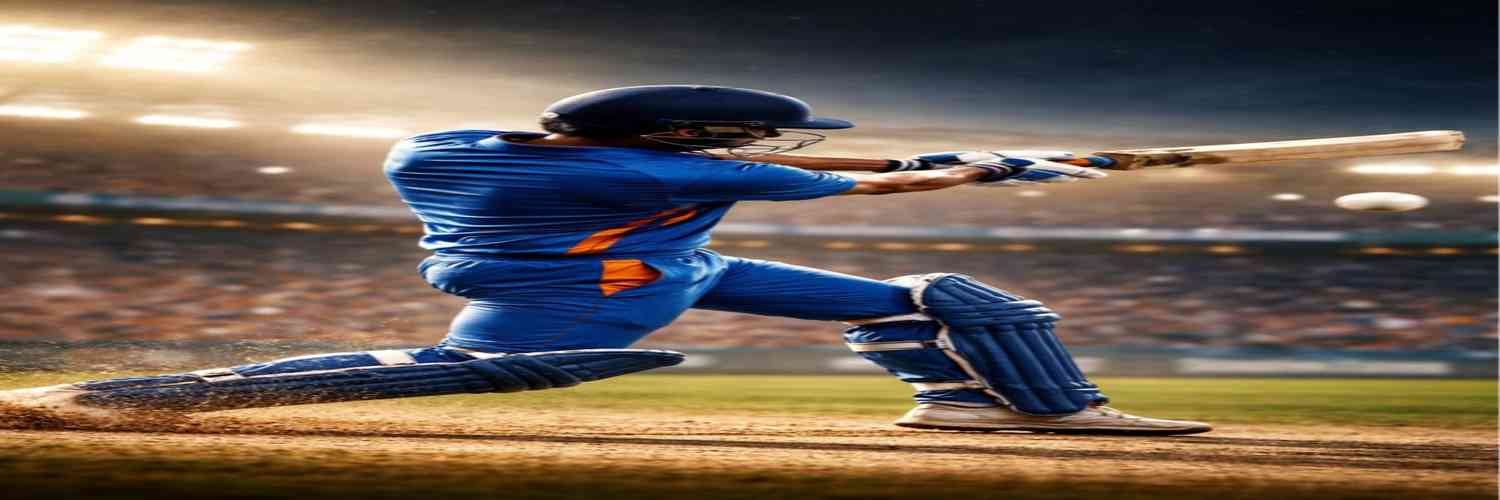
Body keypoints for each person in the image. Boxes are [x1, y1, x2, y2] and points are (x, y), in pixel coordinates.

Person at [0, 85, 1208, 435]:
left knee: (941, 296)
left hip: (647, 255)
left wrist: (955, 156)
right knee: (508, 375)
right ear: (682, 146)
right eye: (736, 141)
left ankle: (970, 403)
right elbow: (874, 179)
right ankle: (130, 394)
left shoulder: (448, 141)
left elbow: (807, 165)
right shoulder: (665, 177)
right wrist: (999, 167)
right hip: (589, 281)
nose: (761, 149)